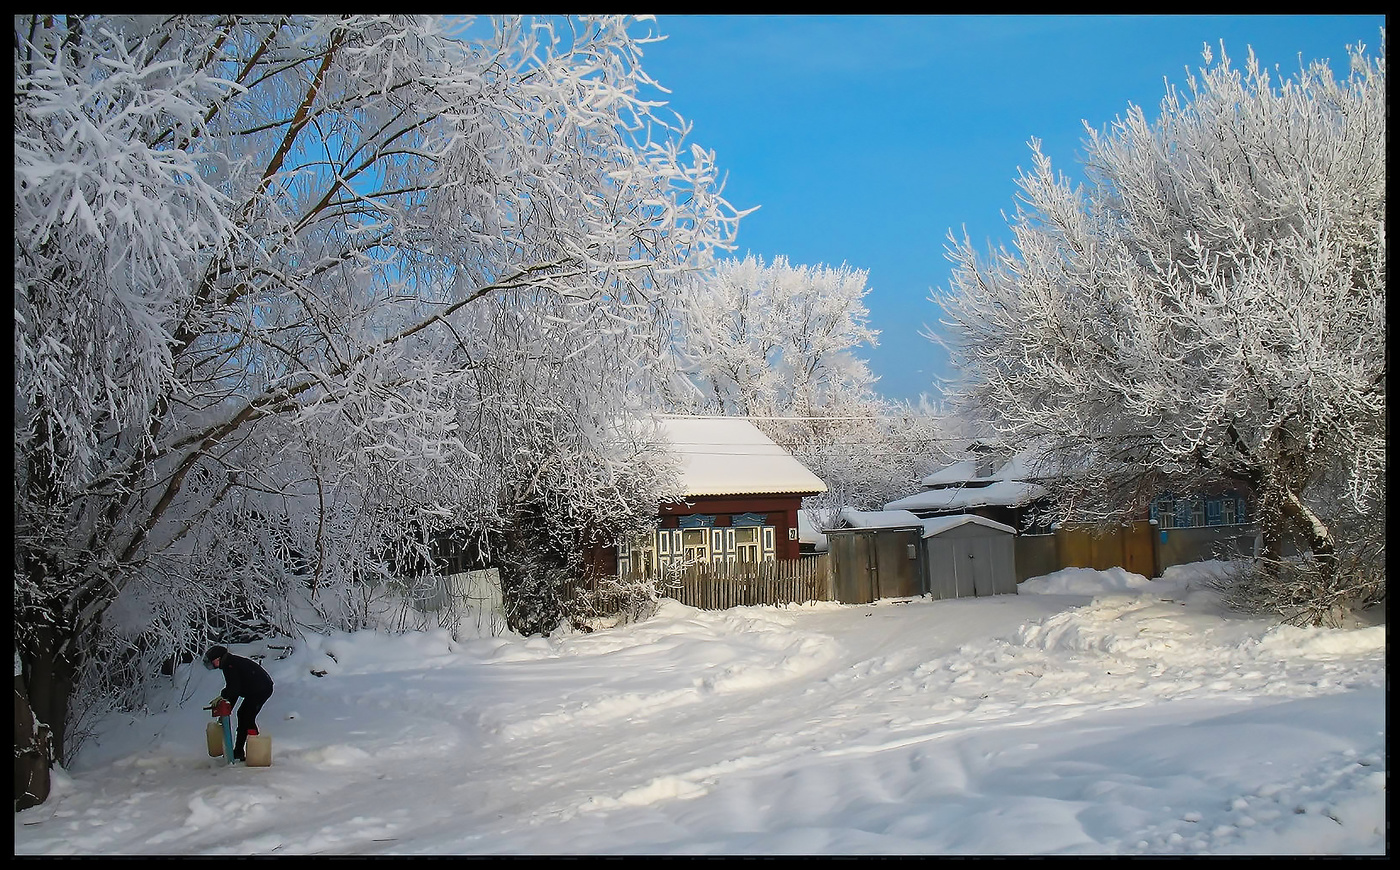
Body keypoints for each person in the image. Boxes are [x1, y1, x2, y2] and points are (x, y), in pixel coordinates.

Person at [202, 645, 274, 762]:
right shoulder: (230, 663)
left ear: (218, 659)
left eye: (212, 661)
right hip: (256, 689)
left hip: (261, 689)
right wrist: (226, 706)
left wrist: (224, 697)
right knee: (243, 715)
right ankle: (240, 750)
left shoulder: (230, 665)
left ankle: (255, 751)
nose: (211, 664)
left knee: (246, 716)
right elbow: (234, 690)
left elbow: (233, 689)